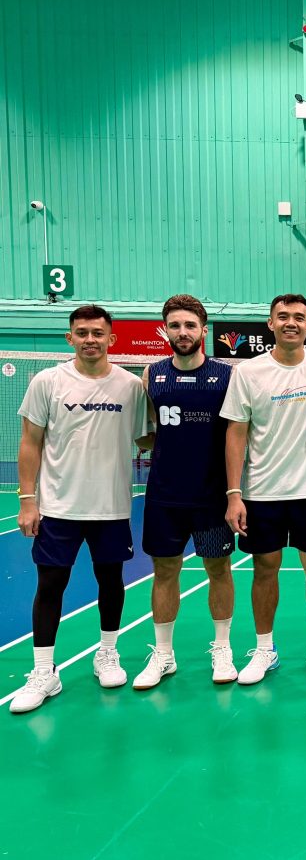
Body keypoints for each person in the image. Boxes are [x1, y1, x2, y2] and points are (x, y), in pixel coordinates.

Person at [9, 305, 150, 714]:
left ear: (111, 339)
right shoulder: (47, 381)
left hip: (111, 507)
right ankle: (43, 672)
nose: (90, 339)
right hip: (58, 507)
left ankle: (107, 653)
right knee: (50, 585)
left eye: (98, 333)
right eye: (82, 332)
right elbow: (30, 441)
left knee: (111, 581)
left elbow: (146, 440)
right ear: (69, 338)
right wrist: (28, 500)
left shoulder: (130, 386)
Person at [220, 294, 306, 685]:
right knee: (264, 569)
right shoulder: (248, 372)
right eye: (283, 316)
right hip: (262, 492)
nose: (291, 322)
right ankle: (264, 649)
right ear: (270, 323)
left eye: (299, 317)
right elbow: (236, 433)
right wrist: (234, 494)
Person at [132, 295, 238, 690]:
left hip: (211, 496)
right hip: (164, 496)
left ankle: (223, 648)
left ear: (203, 331)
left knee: (218, 569)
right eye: (175, 325)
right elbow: (144, 434)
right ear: (166, 330)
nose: (182, 332)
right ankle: (163, 654)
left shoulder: (226, 376)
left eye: (190, 325)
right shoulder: (152, 375)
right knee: (164, 571)